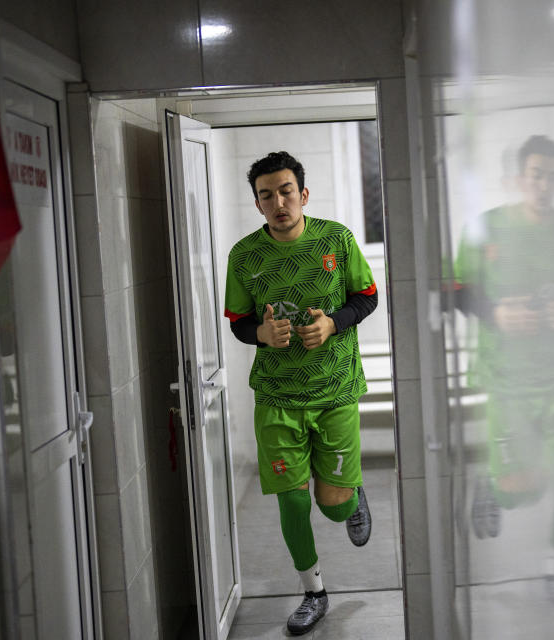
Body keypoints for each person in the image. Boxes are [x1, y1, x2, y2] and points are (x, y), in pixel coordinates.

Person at [223, 151, 378, 635]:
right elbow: (238, 321)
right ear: (257, 203)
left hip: (334, 390)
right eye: (267, 195)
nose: (278, 202)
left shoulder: (337, 239)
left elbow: (368, 295)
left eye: (286, 190)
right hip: (277, 397)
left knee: (333, 507)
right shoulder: (244, 256)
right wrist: (260, 335)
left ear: (303, 194)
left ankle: (351, 493)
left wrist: (334, 322)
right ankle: (314, 591)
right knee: (292, 502)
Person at [454, 135, 554, 616]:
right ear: (518, 178)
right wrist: (497, 314)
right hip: (508, 378)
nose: (544, 185)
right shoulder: (485, 228)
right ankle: (493, 489)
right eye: (536, 175)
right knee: (524, 489)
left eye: (552, 176)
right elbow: (459, 292)